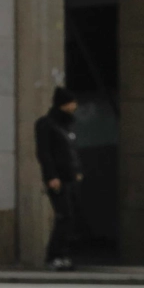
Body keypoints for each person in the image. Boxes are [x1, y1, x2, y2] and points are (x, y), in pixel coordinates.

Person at [36, 86, 84, 272]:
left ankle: (63, 254)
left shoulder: (66, 126)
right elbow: (44, 152)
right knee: (64, 216)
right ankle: (54, 255)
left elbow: (71, 151)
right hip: (58, 179)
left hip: (70, 178)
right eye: (72, 103)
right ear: (64, 103)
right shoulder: (46, 124)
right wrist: (51, 176)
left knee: (70, 217)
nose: (75, 106)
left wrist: (77, 170)